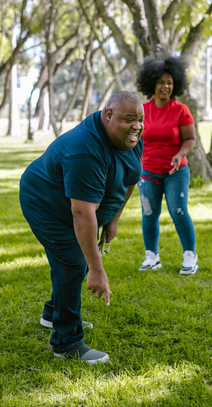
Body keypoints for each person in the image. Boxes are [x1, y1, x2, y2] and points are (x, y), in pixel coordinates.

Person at [19, 91, 143, 364]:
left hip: (74, 205)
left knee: (76, 261)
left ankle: (54, 313)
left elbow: (131, 177)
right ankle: (66, 343)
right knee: (74, 262)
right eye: (129, 119)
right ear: (108, 115)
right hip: (44, 202)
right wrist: (97, 270)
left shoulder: (130, 136)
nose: (137, 126)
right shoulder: (85, 149)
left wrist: (114, 218)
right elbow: (81, 214)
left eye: (140, 120)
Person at [135, 57, 198, 275]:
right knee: (149, 214)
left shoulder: (181, 110)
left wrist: (179, 155)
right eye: (161, 82)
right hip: (148, 172)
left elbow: (190, 139)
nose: (166, 86)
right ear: (152, 83)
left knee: (179, 212)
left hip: (176, 171)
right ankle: (151, 256)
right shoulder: (141, 111)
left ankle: (190, 256)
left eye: (170, 82)